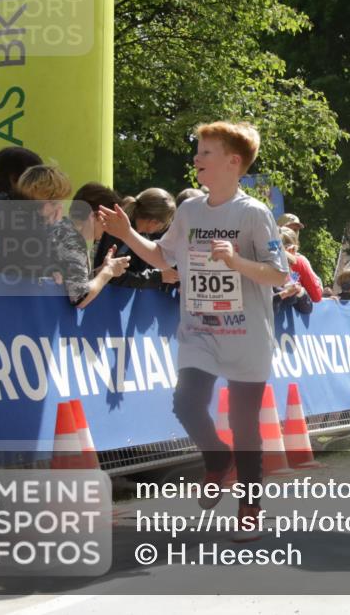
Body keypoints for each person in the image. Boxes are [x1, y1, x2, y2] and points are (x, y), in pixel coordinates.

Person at [98, 121, 289, 542]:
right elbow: (164, 258)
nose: (196, 159)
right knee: (186, 403)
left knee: (244, 423)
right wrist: (126, 232)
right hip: (200, 328)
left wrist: (236, 262)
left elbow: (279, 274)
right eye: (198, 151)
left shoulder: (254, 213)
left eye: (205, 152)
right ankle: (219, 462)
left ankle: (250, 505)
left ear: (233, 162)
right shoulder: (189, 211)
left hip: (246, 333)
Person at [29, 171, 131, 307]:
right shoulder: (73, 240)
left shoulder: (61, 229)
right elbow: (80, 297)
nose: (108, 229)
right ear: (92, 216)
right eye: (106, 221)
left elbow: (73, 281)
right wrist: (108, 271)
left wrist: (100, 271)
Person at [92, 187, 180, 291]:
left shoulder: (142, 236)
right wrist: (158, 277)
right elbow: (114, 276)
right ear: (154, 222)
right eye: (164, 224)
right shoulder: (117, 231)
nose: (162, 229)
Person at [280, 226, 322, 302]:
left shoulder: (259, 257)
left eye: (296, 230)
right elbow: (316, 296)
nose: (295, 232)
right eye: (292, 228)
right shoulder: (299, 262)